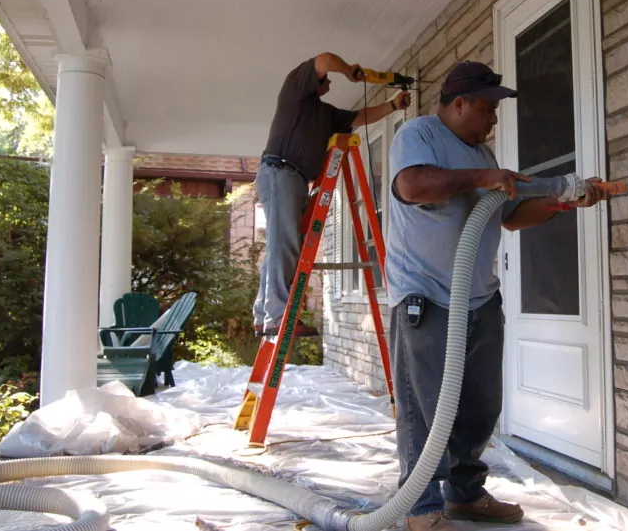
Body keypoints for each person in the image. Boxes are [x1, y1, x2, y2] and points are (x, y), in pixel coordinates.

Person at [385, 61, 608, 531]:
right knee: (425, 405)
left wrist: (561, 203)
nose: (494, 118)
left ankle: (466, 495)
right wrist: (481, 179)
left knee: (480, 404)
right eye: (487, 108)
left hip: (480, 298)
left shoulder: (483, 155)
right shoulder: (418, 135)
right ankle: (420, 508)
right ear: (459, 103)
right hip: (425, 296)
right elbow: (411, 186)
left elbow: (506, 215)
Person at [253, 53, 410, 339]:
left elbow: (359, 117)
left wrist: (392, 105)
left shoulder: (325, 115)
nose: (329, 85)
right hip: (280, 171)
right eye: (325, 81)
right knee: (284, 244)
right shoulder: (296, 89)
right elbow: (324, 59)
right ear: (317, 82)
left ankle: (264, 313)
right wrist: (349, 71)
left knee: (282, 244)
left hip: (293, 178)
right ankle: (276, 315)